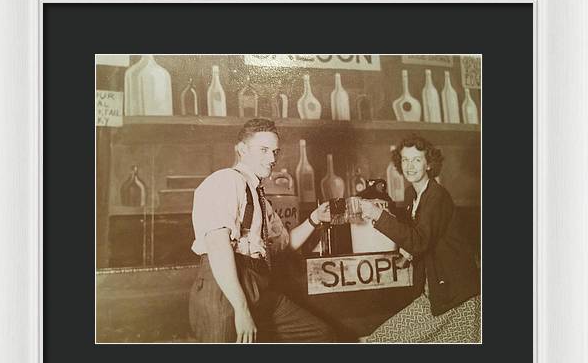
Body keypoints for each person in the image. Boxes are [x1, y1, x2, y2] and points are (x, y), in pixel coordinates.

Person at [189, 118, 335, 343]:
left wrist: (315, 219)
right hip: (224, 289)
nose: (272, 159)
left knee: (320, 334)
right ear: (241, 150)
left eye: (275, 151)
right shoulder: (225, 181)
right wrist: (241, 308)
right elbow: (218, 245)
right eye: (264, 150)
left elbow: (283, 245)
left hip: (257, 285)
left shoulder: (259, 197)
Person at [359, 134, 481, 343]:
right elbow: (421, 239)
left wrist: (378, 215)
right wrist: (406, 253)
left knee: (380, 340)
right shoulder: (412, 195)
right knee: (381, 339)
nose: (410, 166)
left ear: (428, 164)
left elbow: (419, 241)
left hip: (458, 298)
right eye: (405, 160)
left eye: (417, 159)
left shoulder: (437, 195)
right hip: (436, 294)